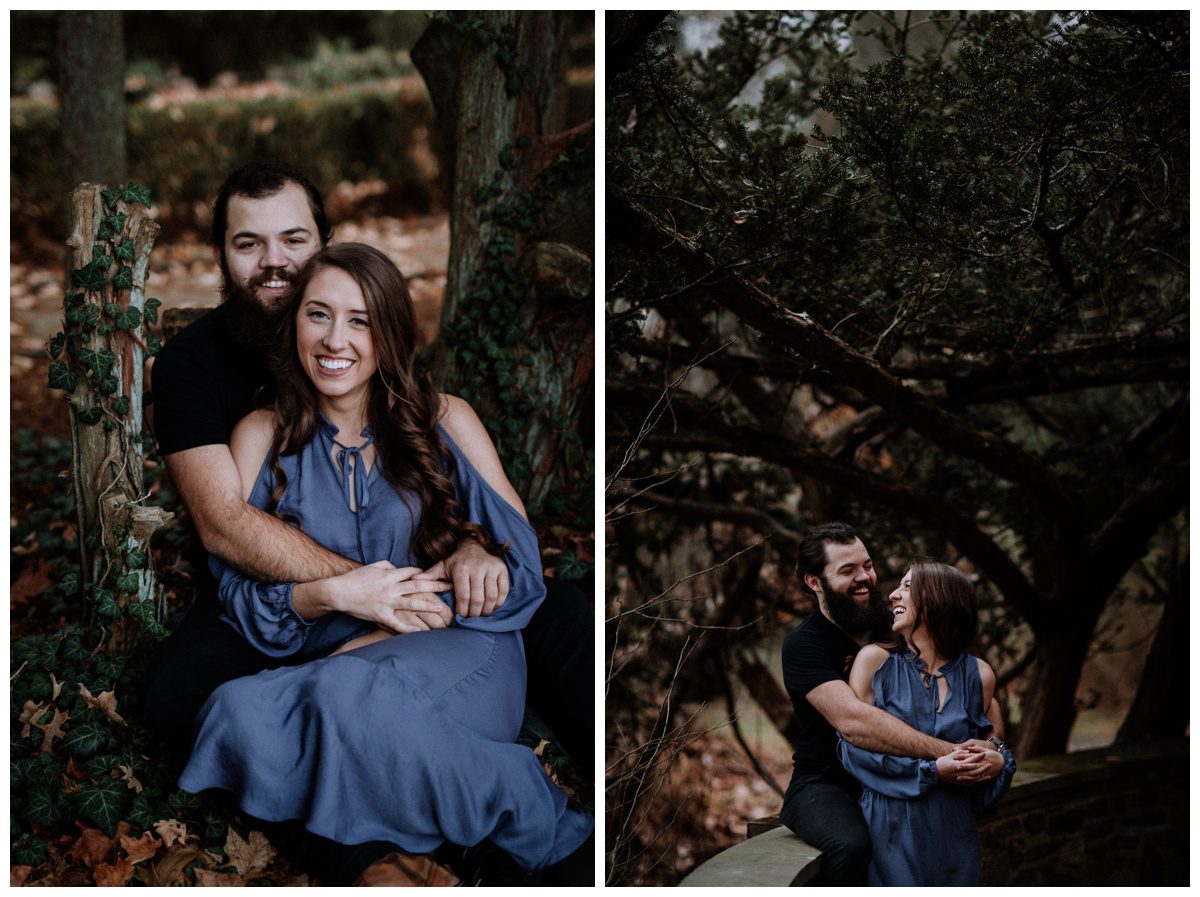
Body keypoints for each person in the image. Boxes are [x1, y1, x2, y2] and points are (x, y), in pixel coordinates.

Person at [144, 161, 593, 883]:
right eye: (318, 315)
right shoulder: (258, 432)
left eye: (359, 319)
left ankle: (546, 833)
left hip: (456, 649)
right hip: (336, 660)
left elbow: (521, 561)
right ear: (295, 324)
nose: (335, 339)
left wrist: (482, 555)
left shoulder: (445, 418)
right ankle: (456, 836)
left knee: (317, 703)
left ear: (388, 331)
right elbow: (240, 585)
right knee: (234, 709)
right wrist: (333, 594)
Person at [779, 522, 1007, 885]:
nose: (864, 578)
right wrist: (951, 755)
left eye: (866, 565)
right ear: (814, 582)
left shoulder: (898, 623)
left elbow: (977, 693)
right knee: (852, 845)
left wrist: (992, 745)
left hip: (904, 773)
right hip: (828, 782)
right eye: (847, 570)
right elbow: (854, 722)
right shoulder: (804, 645)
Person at [836, 559, 1015, 885]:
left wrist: (996, 757)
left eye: (906, 587)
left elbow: (988, 750)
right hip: (890, 826)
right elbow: (854, 752)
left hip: (954, 829)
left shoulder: (980, 674)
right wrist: (934, 771)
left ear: (936, 600)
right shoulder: (874, 662)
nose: (892, 595)